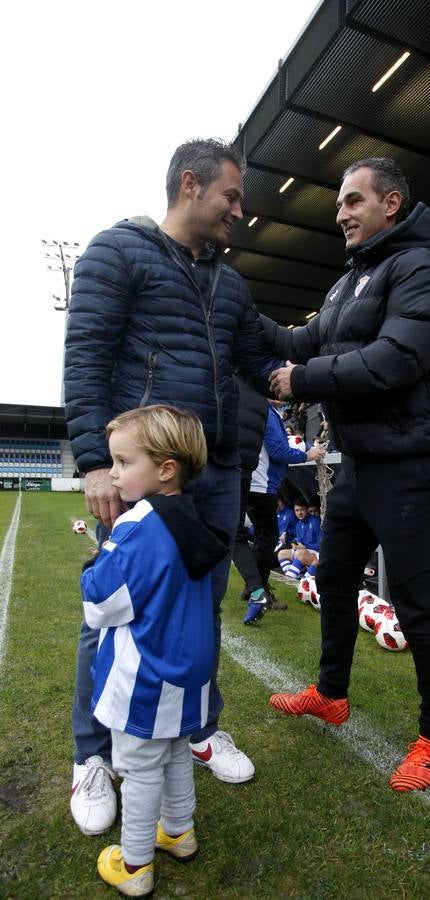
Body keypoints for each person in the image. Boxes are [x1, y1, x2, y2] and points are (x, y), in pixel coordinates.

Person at [65, 138, 282, 835]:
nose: (239, 212)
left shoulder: (232, 283)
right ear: (191, 185)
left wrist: (345, 321)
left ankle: (199, 728)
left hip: (214, 474)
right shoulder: (116, 253)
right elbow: (87, 356)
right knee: (114, 610)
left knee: (201, 607)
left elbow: (264, 349)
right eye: (232, 197)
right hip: (144, 476)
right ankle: (92, 756)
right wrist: (97, 459)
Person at [266, 156, 430, 793]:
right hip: (357, 465)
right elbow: (305, 339)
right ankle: (332, 694)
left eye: (353, 201)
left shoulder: (423, 269)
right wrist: (240, 318)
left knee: (417, 605)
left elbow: (398, 359)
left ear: (391, 205)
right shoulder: (350, 280)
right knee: (334, 576)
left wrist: (305, 381)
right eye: (340, 205)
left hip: (407, 464)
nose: (341, 214)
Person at [81, 405, 229, 897]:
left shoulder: (139, 525)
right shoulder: (189, 513)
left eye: (123, 463)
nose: (114, 475)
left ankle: (136, 862)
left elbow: (100, 604)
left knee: (139, 767)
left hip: (148, 673)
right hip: (189, 672)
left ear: (166, 469)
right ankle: (179, 831)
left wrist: (96, 561)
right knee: (174, 753)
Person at [234, 391, 324, 623]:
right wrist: (307, 453)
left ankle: (253, 587)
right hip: (261, 484)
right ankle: (258, 588)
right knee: (266, 536)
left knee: (259, 537)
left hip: (256, 481)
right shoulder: (265, 411)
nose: (282, 395)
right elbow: (278, 450)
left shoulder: (265, 410)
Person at [277, 499, 321, 580]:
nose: (299, 513)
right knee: (281, 553)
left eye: (302, 510)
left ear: (306, 510)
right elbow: (299, 542)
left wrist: (304, 547)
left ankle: (290, 579)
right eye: (297, 510)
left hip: (315, 553)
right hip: (303, 551)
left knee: (299, 553)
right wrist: (295, 545)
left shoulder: (315, 522)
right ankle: (295, 577)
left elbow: (321, 544)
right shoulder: (299, 524)